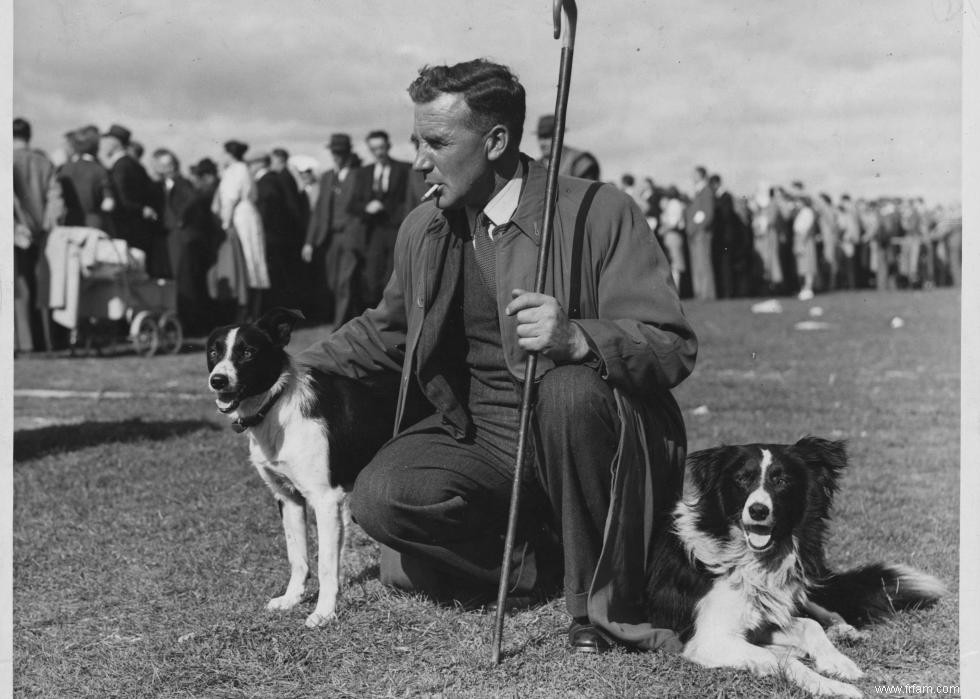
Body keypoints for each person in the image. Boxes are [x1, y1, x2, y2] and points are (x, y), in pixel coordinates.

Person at [299, 58, 697, 654]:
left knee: (567, 390)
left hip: (588, 431)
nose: (419, 160)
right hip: (483, 438)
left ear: (496, 142)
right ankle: (541, 562)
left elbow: (671, 344)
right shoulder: (422, 228)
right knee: (381, 497)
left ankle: (595, 598)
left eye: (436, 142)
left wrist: (581, 339)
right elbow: (385, 332)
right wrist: (290, 372)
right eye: (416, 141)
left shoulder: (598, 210)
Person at [13, 117, 65, 352]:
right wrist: (44, 227)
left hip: (15, 233)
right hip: (40, 235)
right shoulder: (44, 163)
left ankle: (22, 343)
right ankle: (41, 340)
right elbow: (56, 200)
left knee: (17, 289)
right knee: (38, 286)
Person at [302, 133, 365, 325]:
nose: (336, 156)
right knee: (332, 283)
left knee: (344, 282)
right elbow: (318, 212)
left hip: (350, 236)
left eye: (340, 152)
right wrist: (309, 242)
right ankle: (352, 321)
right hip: (329, 238)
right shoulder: (327, 177)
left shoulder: (360, 174)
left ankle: (338, 327)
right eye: (334, 152)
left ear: (348, 152)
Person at [154, 148, 215, 335]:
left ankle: (190, 324)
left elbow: (193, 199)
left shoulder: (182, 183)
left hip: (180, 237)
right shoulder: (166, 184)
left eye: (161, 166)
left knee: (184, 280)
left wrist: (181, 217)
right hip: (172, 237)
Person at [349, 130, 412, 308]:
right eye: (374, 148)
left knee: (394, 276)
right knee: (372, 277)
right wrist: (366, 207)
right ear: (370, 150)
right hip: (372, 232)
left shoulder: (404, 169)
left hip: (396, 229)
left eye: (382, 147)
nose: (379, 152)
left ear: (388, 146)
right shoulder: (363, 173)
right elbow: (353, 204)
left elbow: (409, 199)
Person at [213, 139, 270, 321]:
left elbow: (230, 198)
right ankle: (250, 310)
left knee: (246, 262)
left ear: (229, 154)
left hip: (240, 218)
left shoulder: (235, 170)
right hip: (246, 215)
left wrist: (225, 223)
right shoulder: (241, 169)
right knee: (251, 262)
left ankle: (247, 311)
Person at [100, 124, 162, 272]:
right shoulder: (134, 165)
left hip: (125, 228)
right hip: (139, 228)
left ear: (114, 143)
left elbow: (123, 199)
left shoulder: (120, 166)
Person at [535, 114, 600, 181]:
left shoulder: (580, 160)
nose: (542, 143)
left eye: (547, 137)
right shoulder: (535, 167)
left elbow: (588, 189)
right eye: (540, 137)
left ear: (560, 136)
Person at [684, 166, 715, 300]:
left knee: (703, 263)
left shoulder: (706, 191)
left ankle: (706, 293)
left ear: (701, 175)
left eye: (694, 174)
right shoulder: (698, 192)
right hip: (694, 233)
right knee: (697, 264)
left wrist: (696, 228)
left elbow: (707, 214)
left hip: (701, 233)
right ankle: (699, 292)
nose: (692, 177)